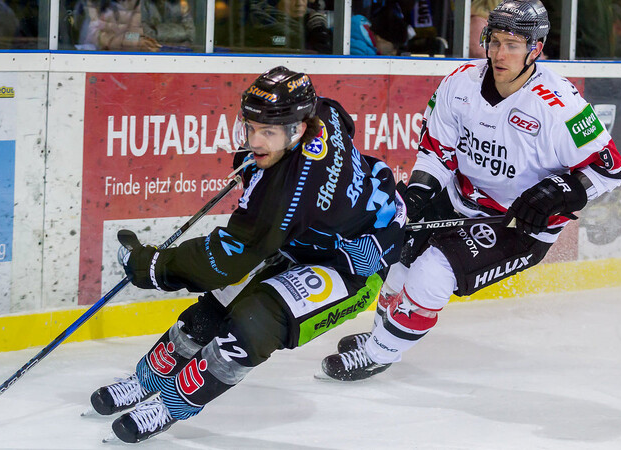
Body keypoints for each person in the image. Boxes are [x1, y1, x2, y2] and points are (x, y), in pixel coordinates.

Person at [88, 66, 407, 443]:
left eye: (267, 133)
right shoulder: (324, 112)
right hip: (305, 238)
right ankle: (146, 380)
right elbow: (344, 125)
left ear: (298, 129)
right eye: (251, 127)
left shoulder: (287, 196)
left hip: (350, 265)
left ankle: (171, 404)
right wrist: (261, 157)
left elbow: (221, 261)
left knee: (250, 325)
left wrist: (151, 266)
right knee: (211, 311)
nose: (256, 140)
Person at [321, 0, 621, 381]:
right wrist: (417, 193)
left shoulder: (559, 105)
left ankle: (380, 352)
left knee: (432, 273)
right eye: (494, 41)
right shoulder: (460, 82)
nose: (499, 53)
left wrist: (558, 190)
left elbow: (610, 168)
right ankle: (384, 334)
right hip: (460, 196)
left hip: (516, 223)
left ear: (536, 48)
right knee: (399, 254)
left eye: (512, 44)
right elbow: (436, 149)